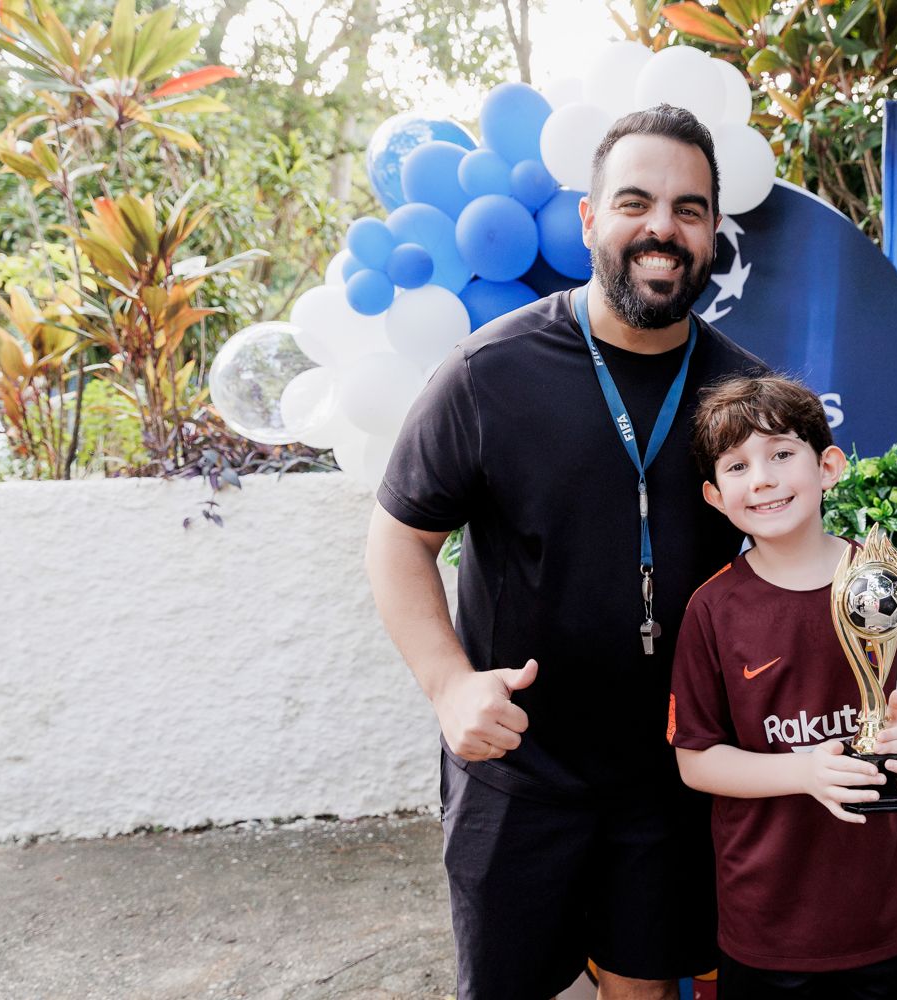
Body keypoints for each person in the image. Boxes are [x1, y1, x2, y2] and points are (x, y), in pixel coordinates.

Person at [365, 105, 765, 1000]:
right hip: (518, 771)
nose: (662, 228)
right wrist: (449, 686)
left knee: (644, 988)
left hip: (674, 772)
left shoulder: (746, 397)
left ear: (712, 233)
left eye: (689, 209)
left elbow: (790, 563)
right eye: (635, 202)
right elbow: (399, 537)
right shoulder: (487, 373)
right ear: (588, 219)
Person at [669, 374, 897, 998]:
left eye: (781, 454)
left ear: (827, 466)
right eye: (737, 466)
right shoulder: (712, 610)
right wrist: (804, 772)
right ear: (715, 496)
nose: (762, 479)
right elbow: (696, 759)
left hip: (885, 910)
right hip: (768, 922)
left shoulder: (882, 579)